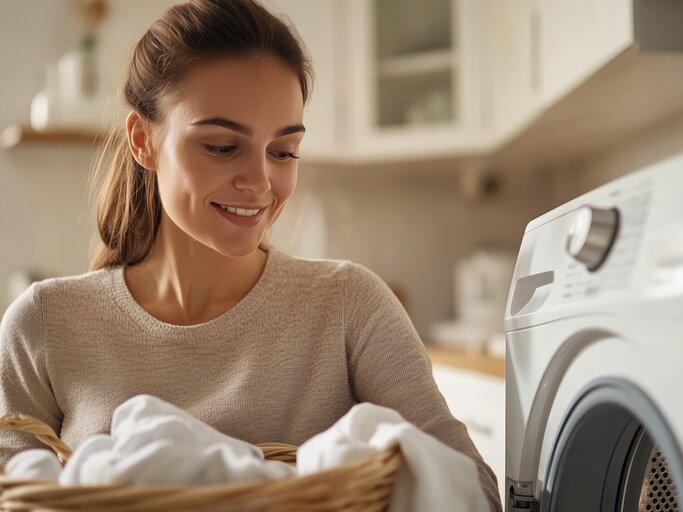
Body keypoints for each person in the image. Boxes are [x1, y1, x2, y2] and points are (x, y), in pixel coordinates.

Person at [0, 1, 502, 510]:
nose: (261, 182)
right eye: (221, 146)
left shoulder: (350, 305)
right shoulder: (43, 325)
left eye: (283, 151)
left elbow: (474, 490)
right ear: (142, 141)